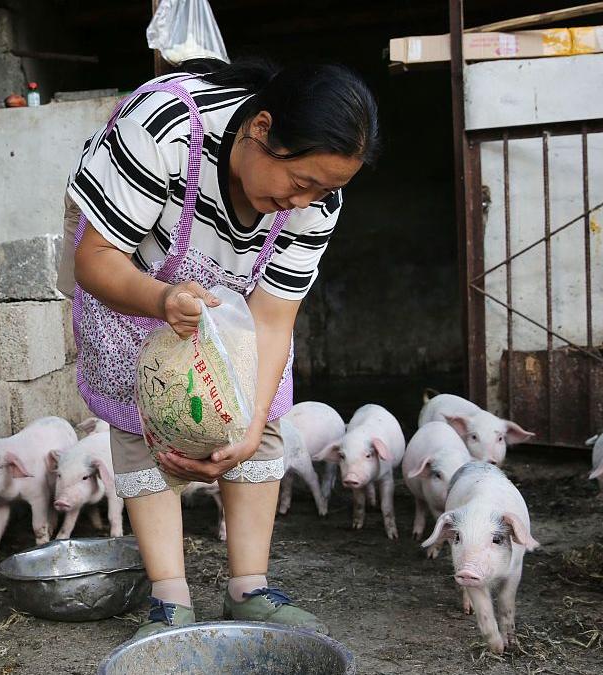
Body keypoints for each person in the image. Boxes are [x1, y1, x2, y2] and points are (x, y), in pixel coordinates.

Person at [61, 58, 379, 640]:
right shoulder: (164, 128)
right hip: (131, 268)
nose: (306, 200)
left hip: (228, 296)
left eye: (326, 189)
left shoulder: (317, 204)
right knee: (147, 407)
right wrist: (160, 300)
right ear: (260, 128)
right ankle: (169, 598)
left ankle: (249, 586)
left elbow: (273, 324)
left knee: (261, 404)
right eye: (301, 181)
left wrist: (251, 428)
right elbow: (95, 260)